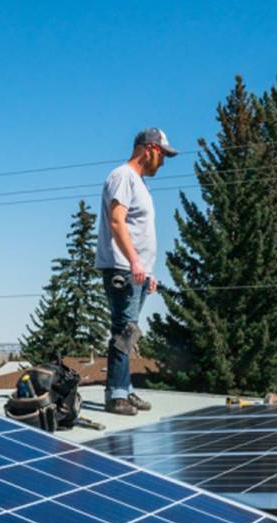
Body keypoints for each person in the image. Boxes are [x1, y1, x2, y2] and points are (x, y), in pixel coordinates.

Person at [95, 128, 177, 415]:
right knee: (124, 330)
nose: (163, 162)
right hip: (122, 267)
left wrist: (148, 270)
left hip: (138, 272)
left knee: (129, 331)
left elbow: (138, 230)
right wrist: (133, 261)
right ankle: (116, 395)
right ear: (149, 149)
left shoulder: (141, 183)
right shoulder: (122, 176)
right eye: (162, 155)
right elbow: (117, 221)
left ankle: (124, 390)